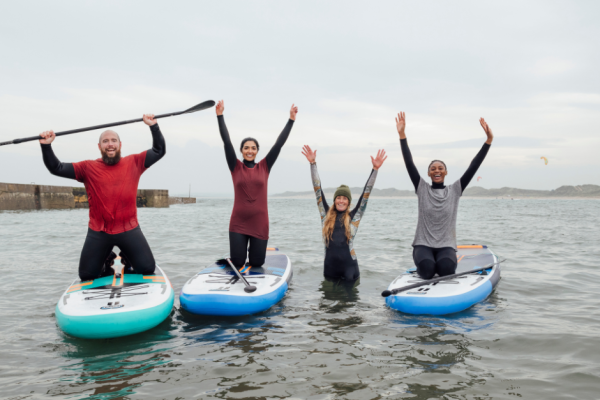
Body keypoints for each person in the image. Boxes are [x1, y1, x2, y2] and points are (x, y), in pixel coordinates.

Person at [38, 114, 166, 281]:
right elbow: (57, 168)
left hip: (129, 229)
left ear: (120, 145)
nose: (110, 144)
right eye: (105, 141)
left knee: (148, 269)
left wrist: (153, 126)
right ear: (99, 146)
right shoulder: (87, 168)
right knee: (87, 275)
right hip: (99, 232)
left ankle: (127, 258)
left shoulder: (135, 162)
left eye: (113, 141)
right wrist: (46, 146)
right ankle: (108, 258)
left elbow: (159, 150)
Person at [395, 111, 493, 280]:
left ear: (446, 172)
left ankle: (442, 262)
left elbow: (473, 166)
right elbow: (409, 162)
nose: (437, 170)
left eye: (440, 168)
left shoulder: (455, 190)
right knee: (427, 270)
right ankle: (423, 265)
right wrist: (402, 135)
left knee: (446, 270)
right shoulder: (422, 188)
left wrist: (488, 141)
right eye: (433, 168)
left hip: (446, 245)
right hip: (423, 244)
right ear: (429, 173)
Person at [216, 100, 298, 270]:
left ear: (257, 150)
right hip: (238, 222)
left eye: (253, 148)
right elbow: (226, 142)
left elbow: (279, 144)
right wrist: (220, 116)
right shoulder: (235, 167)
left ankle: (245, 254)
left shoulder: (265, 166)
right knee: (238, 263)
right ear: (241, 150)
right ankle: (235, 257)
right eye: (246, 148)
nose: (250, 151)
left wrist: (291, 120)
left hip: (259, 222)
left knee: (257, 263)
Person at [302, 145, 387, 281]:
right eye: (338, 198)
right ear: (335, 200)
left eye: (345, 198)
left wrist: (375, 170)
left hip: (350, 270)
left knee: (350, 302)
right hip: (329, 269)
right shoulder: (325, 214)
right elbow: (317, 188)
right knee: (326, 301)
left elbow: (366, 194)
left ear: (348, 202)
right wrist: (312, 164)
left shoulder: (354, 217)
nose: (341, 201)